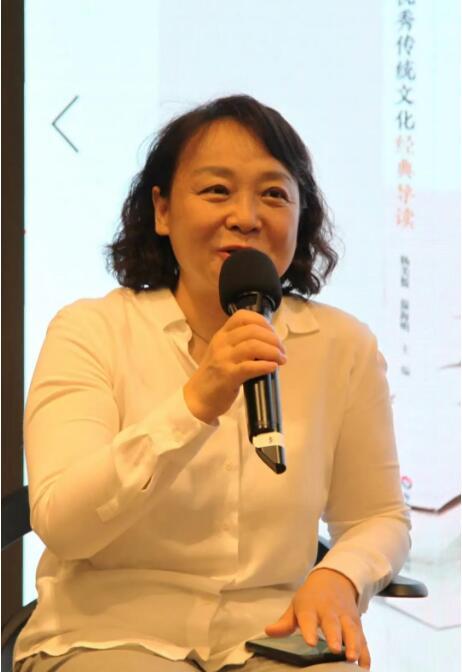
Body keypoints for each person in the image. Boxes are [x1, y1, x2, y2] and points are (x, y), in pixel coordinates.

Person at [14, 95, 410, 672]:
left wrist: (342, 576)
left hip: (273, 636)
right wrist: (195, 403)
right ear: (163, 210)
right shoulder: (91, 330)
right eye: (217, 190)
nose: (246, 217)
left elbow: (378, 515)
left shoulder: (342, 345)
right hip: (107, 636)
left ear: (302, 217)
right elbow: (63, 526)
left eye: (274, 194)